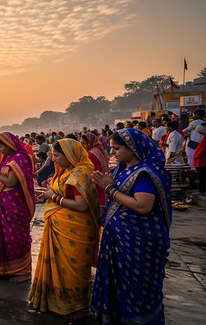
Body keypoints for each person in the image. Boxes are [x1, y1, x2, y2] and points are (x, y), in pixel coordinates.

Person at [91, 128, 172, 324]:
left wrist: (109, 189)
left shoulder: (144, 173)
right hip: (121, 238)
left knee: (137, 290)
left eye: (116, 149)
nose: (112, 153)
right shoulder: (124, 168)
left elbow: (143, 206)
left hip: (139, 241)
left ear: (132, 148)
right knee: (119, 287)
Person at [29, 139, 100, 320]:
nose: (54, 160)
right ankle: (55, 301)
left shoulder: (81, 173)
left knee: (73, 271)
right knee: (58, 267)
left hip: (76, 230)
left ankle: (77, 307)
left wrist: (54, 197)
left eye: (57, 156)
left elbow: (82, 205)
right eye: (52, 155)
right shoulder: (64, 171)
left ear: (70, 155)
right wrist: (47, 194)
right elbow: (58, 193)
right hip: (59, 226)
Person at [0, 132, 35, 283]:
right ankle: (4, 268)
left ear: (9, 145)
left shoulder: (19, 159)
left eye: (0, 146)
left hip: (15, 206)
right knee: (4, 238)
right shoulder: (9, 158)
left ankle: (23, 271)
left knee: (16, 239)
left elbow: (10, 182)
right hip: (4, 203)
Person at [80, 132, 109, 209]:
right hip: (102, 180)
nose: (81, 146)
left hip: (96, 182)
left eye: (84, 143)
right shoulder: (98, 149)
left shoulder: (90, 154)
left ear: (89, 143)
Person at [194, 124, 206, 193]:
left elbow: (202, 149)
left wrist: (196, 156)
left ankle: (202, 191)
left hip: (201, 161)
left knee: (202, 177)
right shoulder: (204, 138)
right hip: (201, 160)